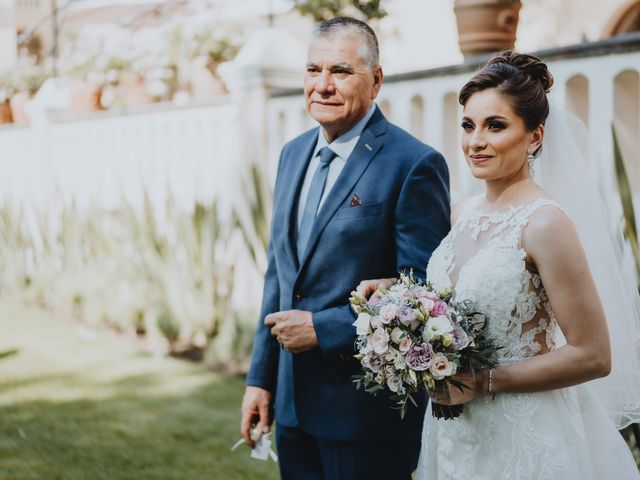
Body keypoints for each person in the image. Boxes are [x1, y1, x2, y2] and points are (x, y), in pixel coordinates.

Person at [358, 51, 640, 479]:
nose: (476, 141)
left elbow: (594, 355)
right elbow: (455, 307)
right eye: (469, 126)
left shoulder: (545, 223)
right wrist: (398, 298)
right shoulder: (463, 212)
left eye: (496, 126)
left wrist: (486, 382)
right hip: (455, 429)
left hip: (525, 431)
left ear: (535, 136)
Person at [240, 16, 450, 480]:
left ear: (375, 81)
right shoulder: (293, 154)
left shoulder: (413, 164)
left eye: (340, 71)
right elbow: (280, 274)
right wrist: (261, 379)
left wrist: (324, 327)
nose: (323, 85)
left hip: (365, 415)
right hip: (294, 407)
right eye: (313, 70)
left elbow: (425, 294)